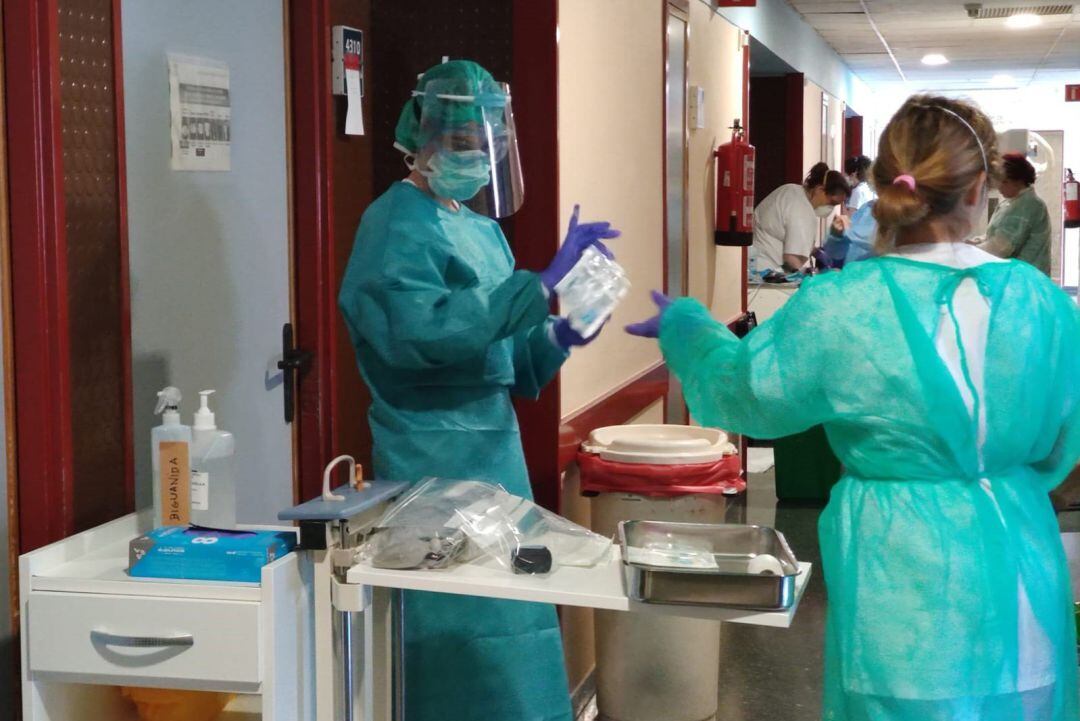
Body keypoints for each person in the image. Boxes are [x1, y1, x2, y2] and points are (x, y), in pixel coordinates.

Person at [627, 95, 1079, 721]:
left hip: (902, 586)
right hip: (1023, 581)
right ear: (980, 190)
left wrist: (687, 328)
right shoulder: (1041, 303)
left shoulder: (843, 306)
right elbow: (1062, 448)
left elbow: (747, 394)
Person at [338, 60, 618, 721]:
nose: (478, 157)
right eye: (464, 142)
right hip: (429, 461)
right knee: (454, 638)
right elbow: (421, 332)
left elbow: (512, 362)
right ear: (422, 138)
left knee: (514, 628)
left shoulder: (485, 231)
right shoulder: (392, 225)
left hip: (499, 460)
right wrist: (538, 281)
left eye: (487, 140)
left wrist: (563, 329)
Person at [752, 163, 851, 273]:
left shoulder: (789, 189)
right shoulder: (803, 208)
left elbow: (782, 231)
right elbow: (792, 262)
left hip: (752, 264)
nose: (831, 208)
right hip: (767, 272)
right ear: (819, 189)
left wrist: (814, 251)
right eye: (832, 203)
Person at [976, 153, 1052, 274]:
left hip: (1026, 280)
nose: (999, 187)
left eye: (1005, 182)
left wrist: (967, 252)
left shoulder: (1028, 205)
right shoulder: (1010, 203)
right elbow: (992, 235)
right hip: (1018, 278)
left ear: (1019, 181)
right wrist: (973, 242)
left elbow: (1000, 247)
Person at [821, 200, 878, 267]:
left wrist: (850, 233)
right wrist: (837, 235)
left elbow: (884, 245)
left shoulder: (891, 210)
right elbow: (835, 254)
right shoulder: (868, 207)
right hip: (852, 273)